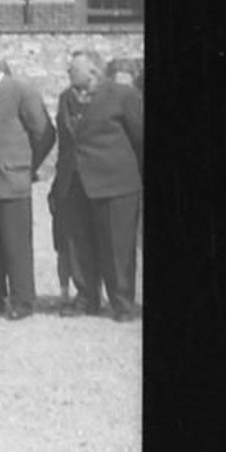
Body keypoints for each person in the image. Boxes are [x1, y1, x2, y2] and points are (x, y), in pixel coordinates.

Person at [0, 46, 56, 320]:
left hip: (12, 178)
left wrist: (27, 166)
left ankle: (23, 301)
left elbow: (44, 133)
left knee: (16, 244)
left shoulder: (20, 91)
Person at [53, 49, 143, 319]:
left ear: (93, 71)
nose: (69, 72)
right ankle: (86, 298)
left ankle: (121, 302)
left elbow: (140, 137)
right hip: (75, 183)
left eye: (74, 68)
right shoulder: (66, 99)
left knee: (117, 246)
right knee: (78, 243)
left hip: (115, 184)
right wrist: (58, 184)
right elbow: (66, 145)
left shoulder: (123, 96)